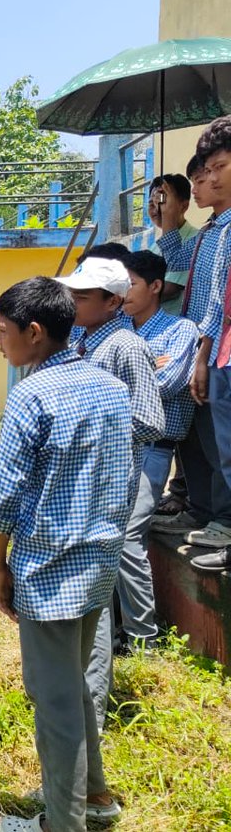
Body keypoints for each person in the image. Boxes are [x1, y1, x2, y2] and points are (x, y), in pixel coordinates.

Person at [0, 277, 127, 832]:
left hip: (48, 570)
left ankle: (61, 823)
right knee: (74, 686)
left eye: (3, 330)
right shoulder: (109, 386)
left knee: (55, 703)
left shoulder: (31, 394)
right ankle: (94, 796)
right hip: (99, 565)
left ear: (34, 333)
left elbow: (6, 496)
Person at [54, 256, 165, 730]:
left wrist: (90, 428)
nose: (73, 303)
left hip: (106, 486)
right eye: (72, 295)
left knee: (94, 596)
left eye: (82, 297)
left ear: (113, 301)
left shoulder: (124, 347)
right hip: (80, 487)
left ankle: (92, 708)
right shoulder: (81, 342)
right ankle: (77, 694)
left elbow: (149, 419)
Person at [115, 251, 197, 648]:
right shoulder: (116, 328)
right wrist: (147, 364)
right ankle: (117, 627)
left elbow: (168, 383)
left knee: (129, 536)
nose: (123, 292)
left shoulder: (181, 330)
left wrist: (129, 372)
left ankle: (143, 637)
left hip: (152, 448)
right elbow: (97, 377)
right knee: (112, 535)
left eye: (130, 283)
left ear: (155, 287)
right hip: (114, 447)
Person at [154, 153, 231, 537]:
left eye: (208, 175)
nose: (204, 183)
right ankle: (201, 509)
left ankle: (222, 518)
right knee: (196, 437)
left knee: (220, 444)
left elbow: (218, 301)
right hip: (200, 347)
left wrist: (203, 353)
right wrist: (166, 219)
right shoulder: (208, 230)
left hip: (214, 348)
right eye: (200, 177)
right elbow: (177, 259)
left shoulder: (226, 231)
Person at [188, 116, 231, 571]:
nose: (211, 178)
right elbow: (216, 303)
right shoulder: (213, 232)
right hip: (216, 348)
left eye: (218, 167)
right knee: (214, 445)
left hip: (220, 351)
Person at [148, 172, 197, 315]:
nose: (157, 210)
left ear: (184, 206)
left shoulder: (195, 238)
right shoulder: (156, 245)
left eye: (162, 203)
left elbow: (172, 288)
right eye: (152, 204)